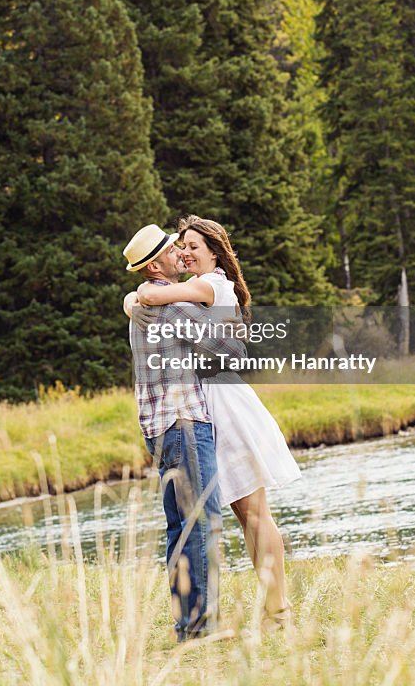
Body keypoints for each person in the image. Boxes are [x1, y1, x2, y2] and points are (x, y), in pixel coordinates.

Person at [125, 215, 300, 631]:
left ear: (214, 255)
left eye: (191, 247)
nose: (184, 253)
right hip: (204, 409)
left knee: (254, 513)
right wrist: (137, 297)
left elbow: (161, 299)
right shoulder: (179, 293)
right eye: (179, 247)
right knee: (243, 515)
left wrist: (139, 297)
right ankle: (267, 611)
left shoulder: (211, 285)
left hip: (223, 405)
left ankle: (278, 611)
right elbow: (150, 296)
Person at [122, 222, 244, 643]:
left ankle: (186, 626)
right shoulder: (173, 309)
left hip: (158, 431)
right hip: (185, 424)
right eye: (175, 250)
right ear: (157, 264)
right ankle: (200, 628)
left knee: (179, 528)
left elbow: (134, 303)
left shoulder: (141, 305)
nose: (182, 255)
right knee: (203, 523)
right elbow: (233, 349)